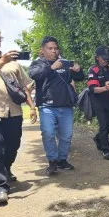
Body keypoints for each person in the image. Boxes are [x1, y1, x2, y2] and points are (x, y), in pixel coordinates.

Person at [0, 25, 37, 205]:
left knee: (13, 144)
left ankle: (6, 168)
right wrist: (1, 62)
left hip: (14, 110)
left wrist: (32, 106)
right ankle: (0, 187)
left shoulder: (13, 62)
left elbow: (25, 85)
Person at [29, 36, 84, 176]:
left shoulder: (64, 63)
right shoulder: (38, 63)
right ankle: (52, 162)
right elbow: (34, 75)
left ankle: (62, 160)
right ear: (43, 50)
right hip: (47, 106)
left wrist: (78, 70)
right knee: (48, 133)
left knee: (66, 135)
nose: (54, 51)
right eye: (50, 48)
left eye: (56, 48)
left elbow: (79, 78)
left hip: (66, 106)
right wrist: (51, 67)